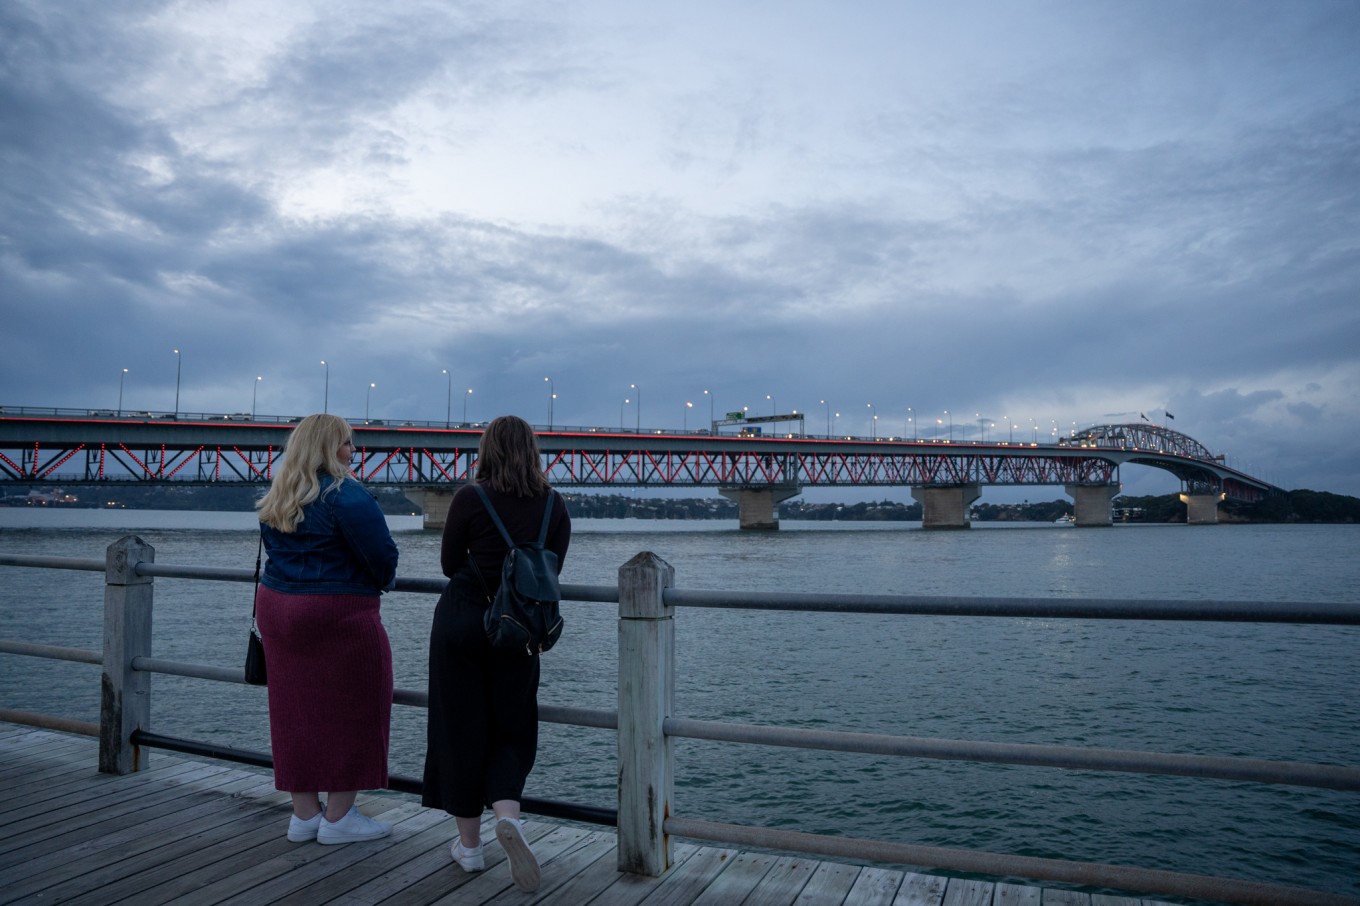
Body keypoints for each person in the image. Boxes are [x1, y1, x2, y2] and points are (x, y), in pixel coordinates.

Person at [423, 415, 571, 892]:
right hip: (517, 631)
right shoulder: (554, 505)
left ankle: (468, 849)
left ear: (486, 451)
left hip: (463, 620)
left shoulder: (470, 497)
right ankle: (509, 816)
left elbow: (449, 564)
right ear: (532, 451)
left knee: (459, 726)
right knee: (512, 724)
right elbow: (550, 571)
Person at [255, 413, 399, 845]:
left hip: (277, 608)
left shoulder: (278, 495)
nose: (353, 451)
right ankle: (339, 819)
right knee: (360, 706)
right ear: (327, 448)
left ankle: (304, 816)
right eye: (347, 443)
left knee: (292, 707)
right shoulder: (347, 496)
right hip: (337, 612)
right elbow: (384, 562)